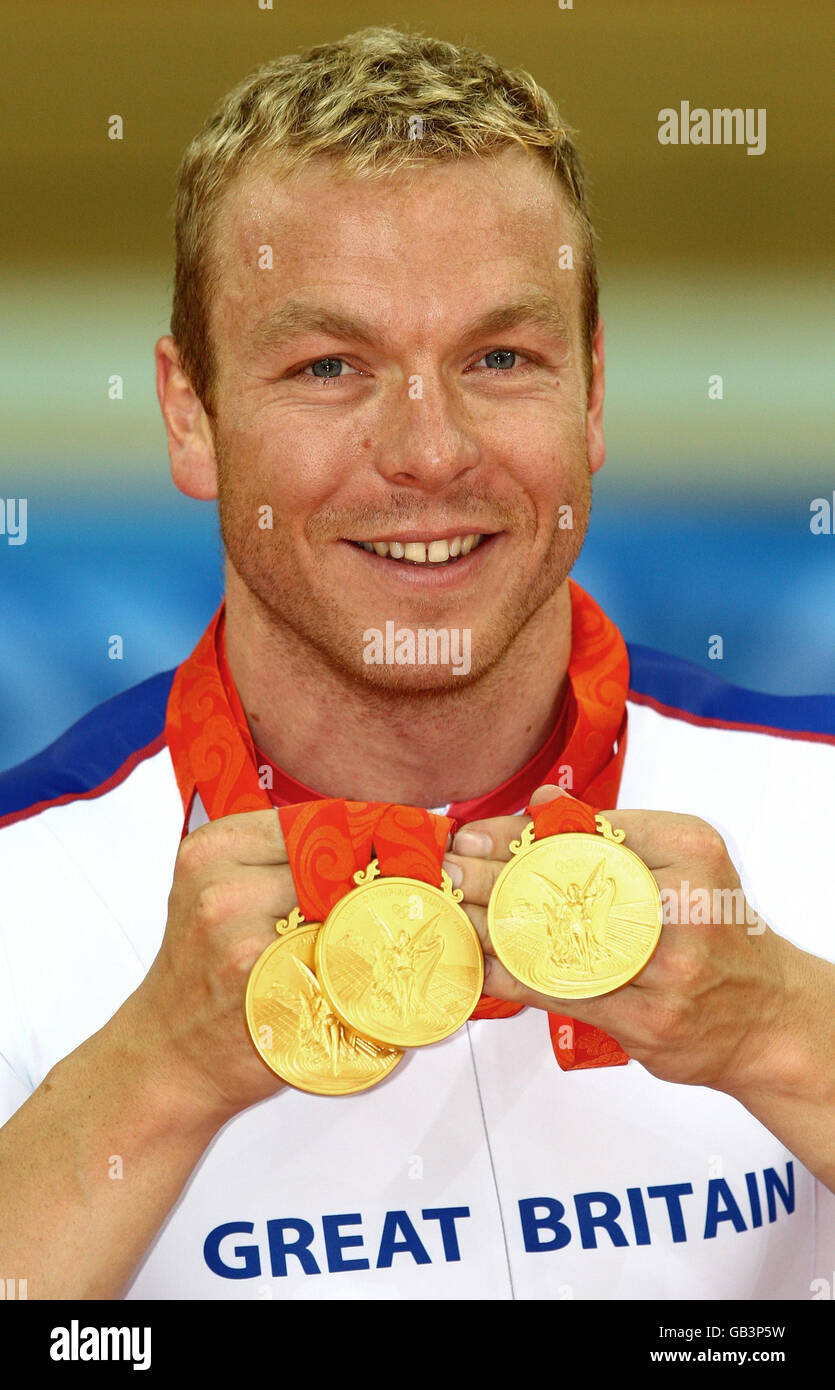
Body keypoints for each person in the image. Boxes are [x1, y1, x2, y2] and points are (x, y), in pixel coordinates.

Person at [0, 26, 833, 1302]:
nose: (429, 452)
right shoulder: (23, 890)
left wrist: (781, 1027)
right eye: (329, 366)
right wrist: (148, 1077)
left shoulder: (817, 802)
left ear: (594, 391)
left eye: (499, 359)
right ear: (190, 414)